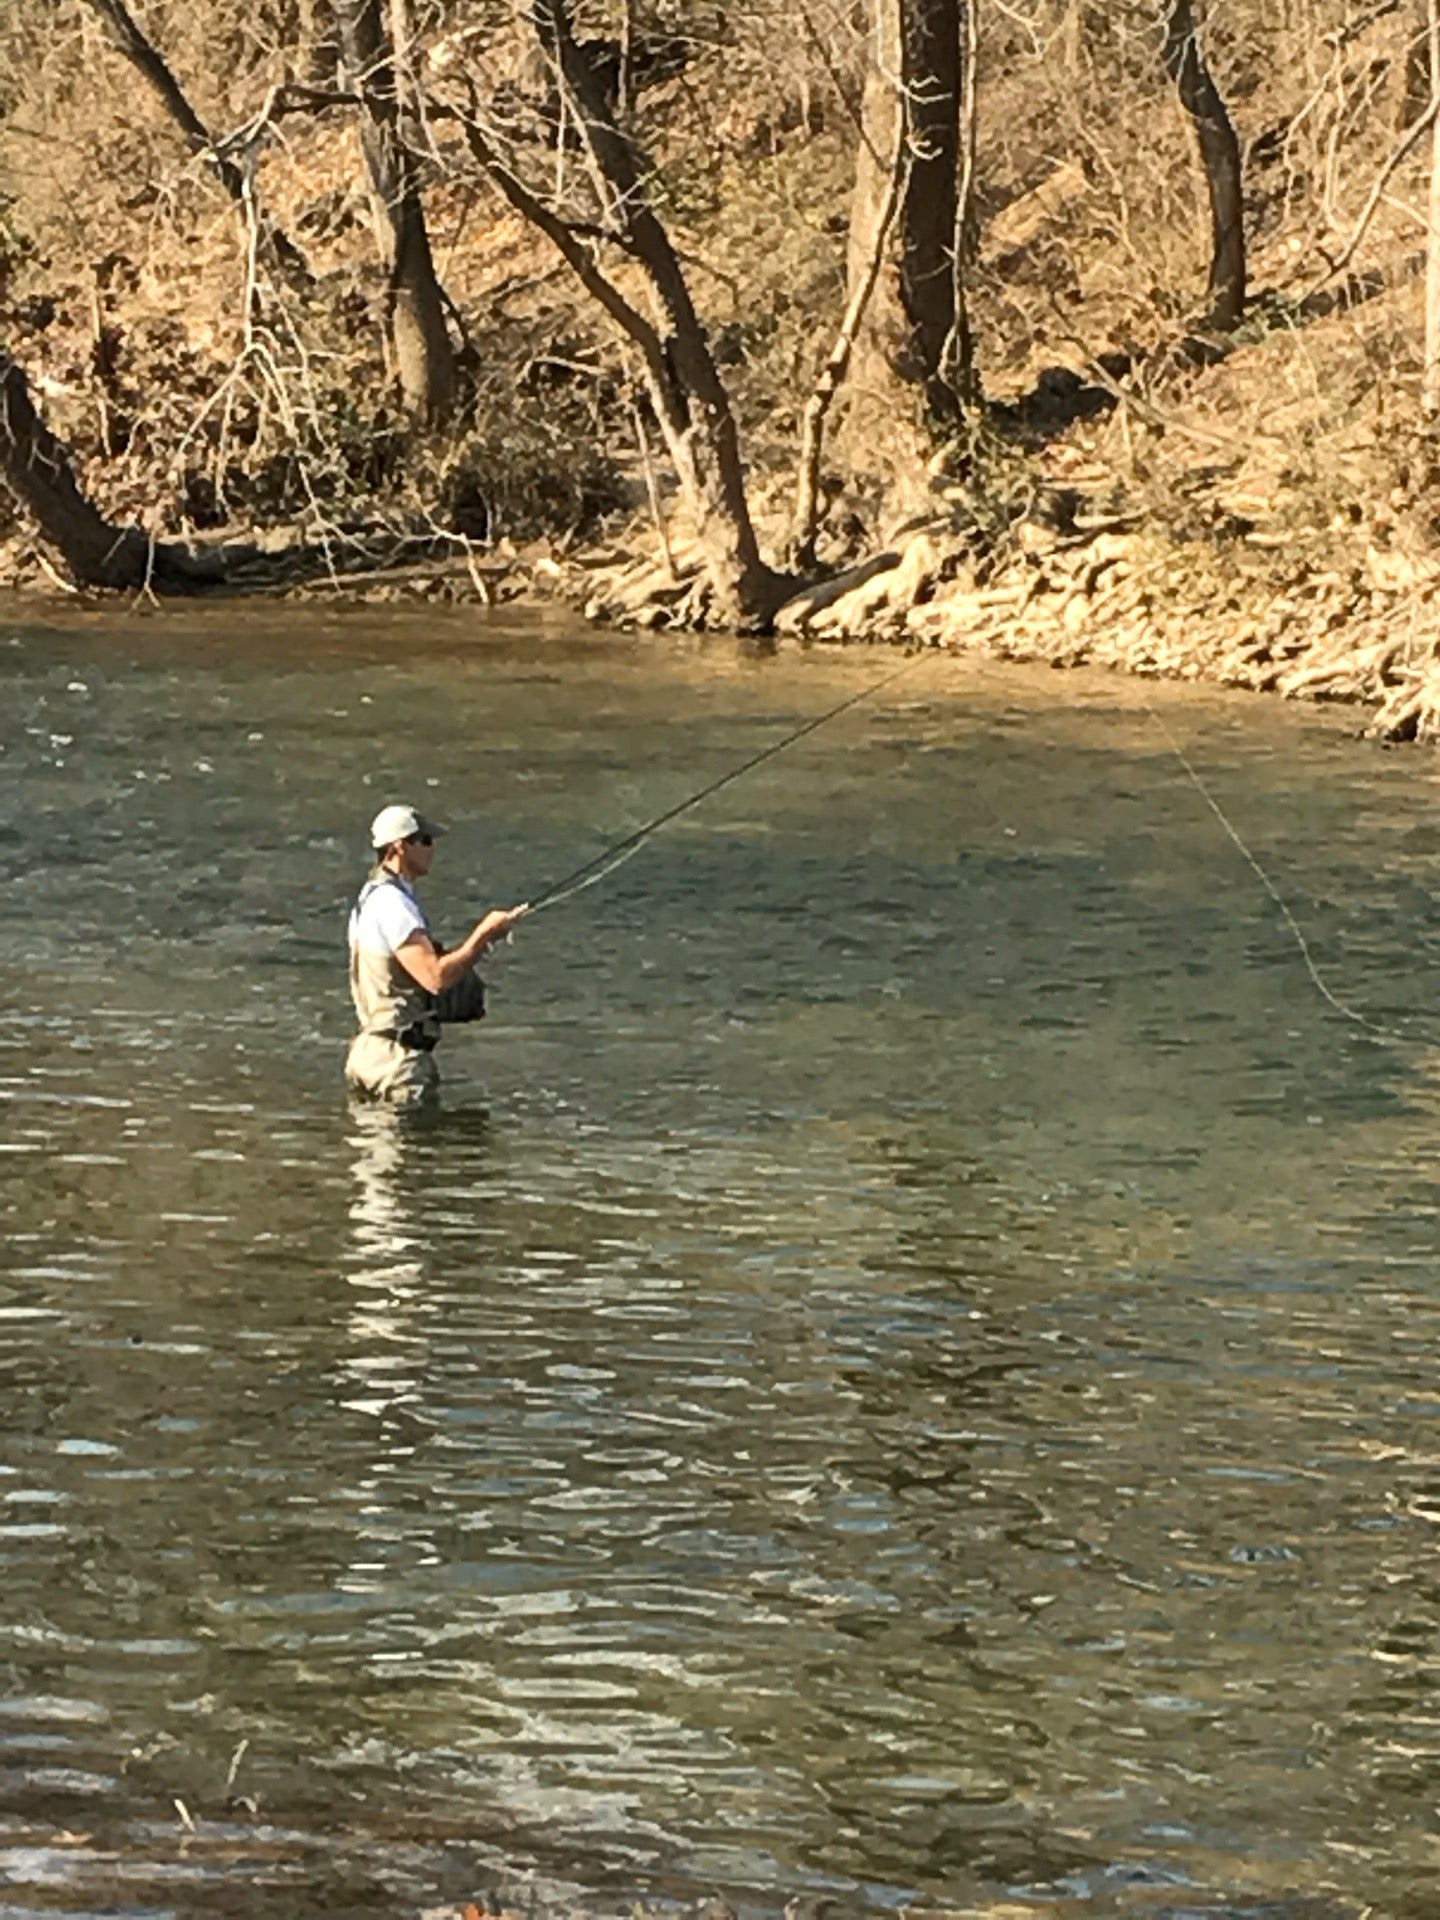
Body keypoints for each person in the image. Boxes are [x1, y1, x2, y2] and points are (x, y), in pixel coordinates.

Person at [345, 803, 527, 1104]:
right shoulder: (393, 904)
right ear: (400, 847)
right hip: (396, 1064)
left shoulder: (369, 898)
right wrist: (484, 935)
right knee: (413, 1150)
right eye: (425, 841)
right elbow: (435, 978)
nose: (433, 849)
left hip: (367, 1054)